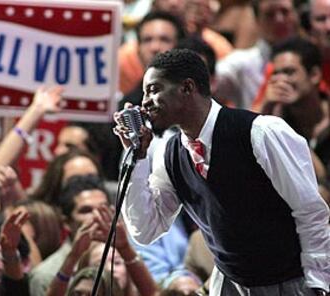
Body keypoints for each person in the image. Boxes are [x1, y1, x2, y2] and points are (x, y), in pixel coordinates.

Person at [114, 48, 330, 295]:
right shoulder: (170, 153)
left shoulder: (261, 132)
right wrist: (137, 158)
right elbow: (145, 229)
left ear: (187, 87)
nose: (145, 102)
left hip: (289, 282)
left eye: (153, 89)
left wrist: (318, 282)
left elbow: (310, 211)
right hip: (229, 284)